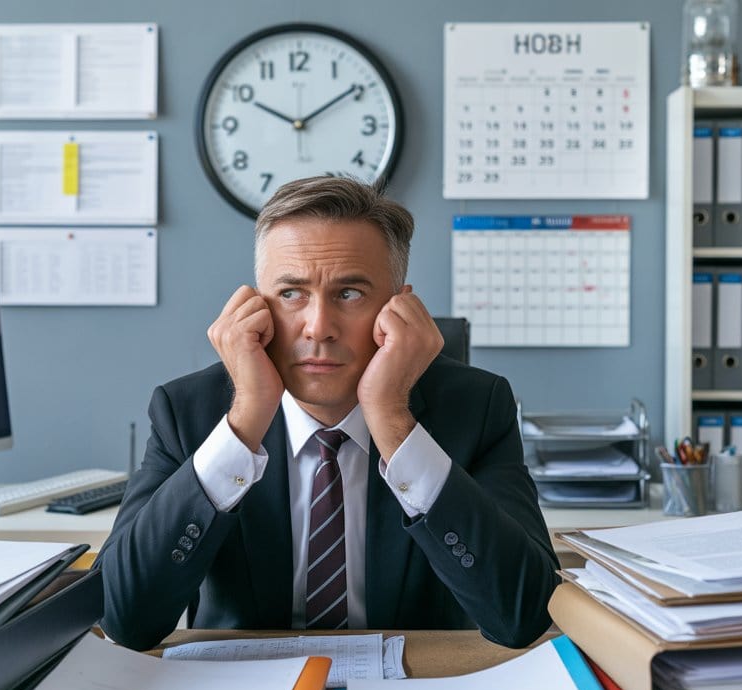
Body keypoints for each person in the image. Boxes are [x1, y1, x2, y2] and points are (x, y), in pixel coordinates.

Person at [99, 176, 558, 650]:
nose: (318, 327)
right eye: (292, 294)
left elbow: (522, 616)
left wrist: (394, 421)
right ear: (257, 305)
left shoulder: (477, 409)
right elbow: (122, 618)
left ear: (399, 306)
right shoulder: (188, 414)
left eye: (349, 294)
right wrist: (245, 423)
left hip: (417, 689)